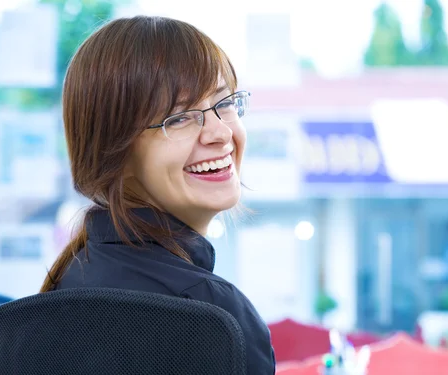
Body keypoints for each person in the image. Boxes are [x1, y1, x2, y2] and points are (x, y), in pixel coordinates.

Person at [40, 15, 275, 374]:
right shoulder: (209, 312)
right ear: (116, 154)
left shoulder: (68, 283)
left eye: (224, 103)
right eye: (179, 117)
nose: (220, 133)